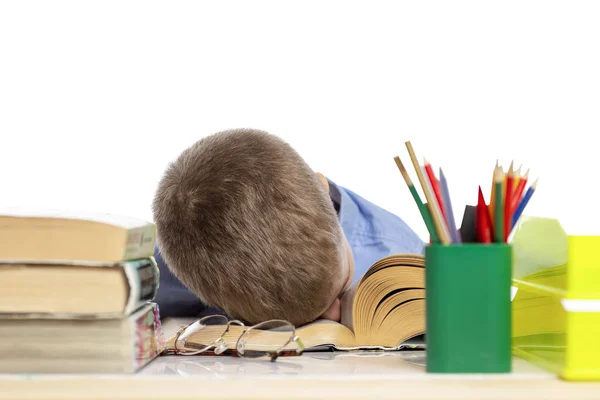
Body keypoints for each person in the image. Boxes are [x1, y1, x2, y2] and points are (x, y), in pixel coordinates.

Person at [152, 129, 423, 326]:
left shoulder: (402, 262)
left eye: (342, 290)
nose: (334, 317)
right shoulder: (177, 258)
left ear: (322, 189)